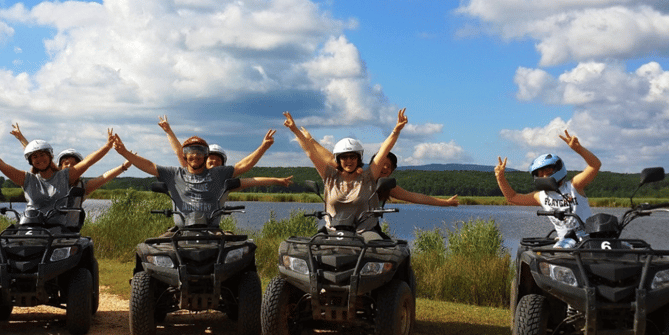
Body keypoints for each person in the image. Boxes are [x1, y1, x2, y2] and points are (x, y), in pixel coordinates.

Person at [112, 133, 291, 227]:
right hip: (183, 229)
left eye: (199, 152)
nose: (195, 156)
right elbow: (149, 166)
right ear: (185, 156)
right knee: (150, 256)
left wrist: (263, 147)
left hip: (212, 229)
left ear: (204, 155)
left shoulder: (218, 175)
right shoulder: (175, 174)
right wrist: (124, 152)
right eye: (190, 152)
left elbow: (245, 168)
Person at [283, 109, 407, 241]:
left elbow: (384, 150)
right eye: (344, 157)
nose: (349, 161)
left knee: (382, 253)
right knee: (311, 250)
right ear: (338, 160)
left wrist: (396, 130)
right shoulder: (330, 176)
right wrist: (294, 129)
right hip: (332, 232)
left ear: (358, 159)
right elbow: (310, 153)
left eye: (353, 157)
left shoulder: (368, 177)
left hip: (363, 233)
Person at [0, 128, 115, 228]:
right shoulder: (27, 179)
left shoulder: (65, 176)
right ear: (31, 161)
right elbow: (1, 165)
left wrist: (107, 146)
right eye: (35, 157)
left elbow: (88, 161)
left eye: (42, 155)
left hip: (59, 229)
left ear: (50, 156)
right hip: (30, 227)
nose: (39, 159)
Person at [294, 125, 459, 208]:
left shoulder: (387, 187)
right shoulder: (360, 175)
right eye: (383, 164)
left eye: (390, 167)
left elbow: (416, 197)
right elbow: (331, 159)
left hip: (367, 228)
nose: (385, 169)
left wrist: (445, 203)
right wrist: (310, 140)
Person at [494, 130, 601, 247]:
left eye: (548, 171)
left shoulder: (574, 186)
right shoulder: (541, 196)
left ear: (558, 169)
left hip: (587, 238)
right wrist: (500, 177)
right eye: (540, 174)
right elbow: (512, 198)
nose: (544, 176)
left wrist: (579, 149)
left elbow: (594, 165)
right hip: (566, 241)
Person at [11, 123, 132, 195]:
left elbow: (104, 177)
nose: (69, 167)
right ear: (58, 166)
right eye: (65, 164)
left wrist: (123, 167)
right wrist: (21, 138)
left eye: (74, 165)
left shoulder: (83, 188)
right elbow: (37, 157)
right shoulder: (52, 179)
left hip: (68, 233)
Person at [157, 115, 276, 173]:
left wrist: (263, 147)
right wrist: (168, 131)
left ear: (223, 163)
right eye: (211, 158)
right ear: (203, 159)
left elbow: (244, 165)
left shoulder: (222, 178)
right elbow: (179, 152)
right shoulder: (192, 171)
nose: (214, 162)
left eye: (218, 160)